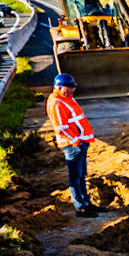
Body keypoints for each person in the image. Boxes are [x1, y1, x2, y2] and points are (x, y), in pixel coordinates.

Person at [46, 73, 98, 216]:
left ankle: (86, 203)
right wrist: (76, 142)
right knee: (75, 177)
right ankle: (80, 207)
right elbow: (61, 128)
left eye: (72, 88)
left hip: (80, 142)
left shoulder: (66, 98)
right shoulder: (57, 103)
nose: (71, 91)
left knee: (81, 175)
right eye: (68, 89)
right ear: (58, 88)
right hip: (73, 145)